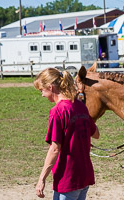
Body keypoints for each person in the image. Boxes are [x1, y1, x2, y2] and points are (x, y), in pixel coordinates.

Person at [34, 68, 100, 199]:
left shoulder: (57, 111)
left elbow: (54, 149)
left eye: (42, 90)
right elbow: (96, 134)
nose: (42, 95)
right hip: (84, 175)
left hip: (67, 178)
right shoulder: (81, 106)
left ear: (50, 87)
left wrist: (41, 179)